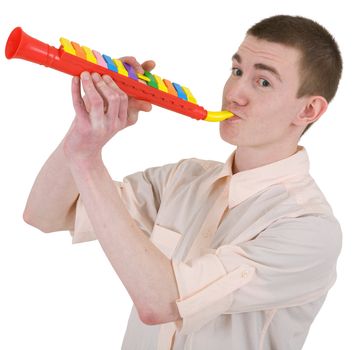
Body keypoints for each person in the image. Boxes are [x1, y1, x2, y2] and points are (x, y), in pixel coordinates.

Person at [23, 14, 343, 350]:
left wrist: (87, 159)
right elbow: (45, 214)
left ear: (308, 110)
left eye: (263, 82)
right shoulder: (182, 178)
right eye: (236, 71)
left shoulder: (309, 229)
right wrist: (85, 131)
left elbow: (161, 302)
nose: (234, 93)